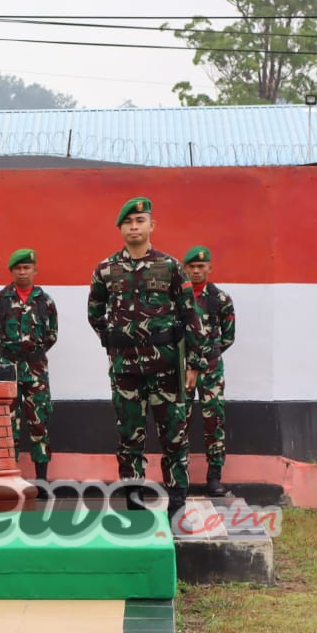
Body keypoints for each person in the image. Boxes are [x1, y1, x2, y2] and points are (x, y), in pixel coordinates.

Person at [87, 197, 207, 520]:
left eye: (140, 221)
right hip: (125, 369)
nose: (134, 227)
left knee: (174, 436)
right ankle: (134, 502)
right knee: (129, 436)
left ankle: (178, 502)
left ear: (152, 226)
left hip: (166, 367)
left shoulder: (170, 267)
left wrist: (194, 363)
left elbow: (190, 316)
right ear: (121, 229)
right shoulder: (105, 270)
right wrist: (114, 343)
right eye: (128, 222)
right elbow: (94, 313)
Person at [0, 248, 58, 490]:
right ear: (11, 272)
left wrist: (32, 351)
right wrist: (12, 350)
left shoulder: (45, 301)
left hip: (36, 370)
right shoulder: (0, 301)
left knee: (38, 423)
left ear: (34, 270)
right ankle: (10, 476)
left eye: (27, 267)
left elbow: (52, 335)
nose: (23, 272)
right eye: (18, 268)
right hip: (8, 369)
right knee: (8, 424)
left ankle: (41, 480)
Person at [183, 245, 236, 497]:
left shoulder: (220, 299)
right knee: (178, 421)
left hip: (212, 370)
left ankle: (214, 478)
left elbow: (228, 337)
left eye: (200, 267)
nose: (196, 271)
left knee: (214, 421)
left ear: (209, 268)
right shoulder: (178, 299)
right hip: (181, 371)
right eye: (191, 267)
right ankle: (178, 477)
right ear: (185, 269)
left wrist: (206, 359)